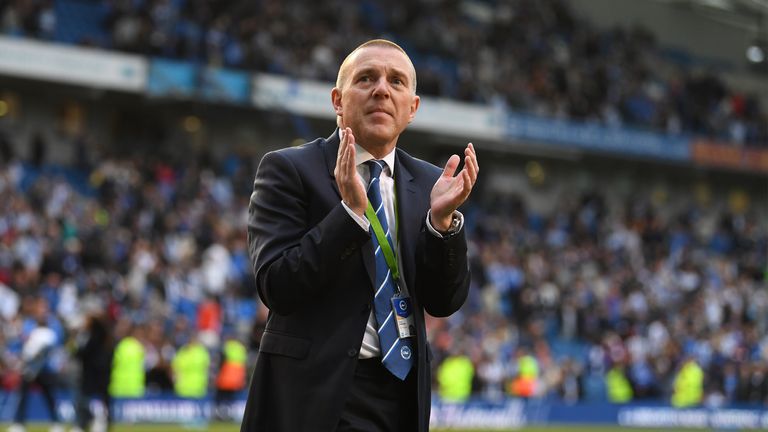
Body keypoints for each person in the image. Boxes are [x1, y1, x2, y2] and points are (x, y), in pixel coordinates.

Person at [241, 39, 478, 432]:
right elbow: (277, 285)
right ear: (337, 100)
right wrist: (350, 214)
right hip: (312, 396)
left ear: (413, 108)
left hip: (400, 398)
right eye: (366, 78)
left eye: (397, 81)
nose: (382, 89)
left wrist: (442, 224)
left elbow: (445, 300)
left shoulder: (432, 183)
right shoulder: (288, 169)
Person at [9, 297, 64, 432]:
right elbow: (19, 344)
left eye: (45, 308)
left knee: (50, 397)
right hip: (29, 369)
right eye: (40, 308)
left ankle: (56, 423)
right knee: (22, 396)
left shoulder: (54, 325)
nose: (43, 311)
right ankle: (19, 424)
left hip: (46, 368)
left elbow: (56, 343)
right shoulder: (28, 324)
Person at [72, 313, 114, 432]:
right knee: (102, 401)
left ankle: (83, 424)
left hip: (91, 376)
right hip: (102, 376)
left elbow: (81, 354)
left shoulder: (93, 337)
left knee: (84, 401)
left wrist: (76, 344)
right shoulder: (106, 338)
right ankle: (102, 423)